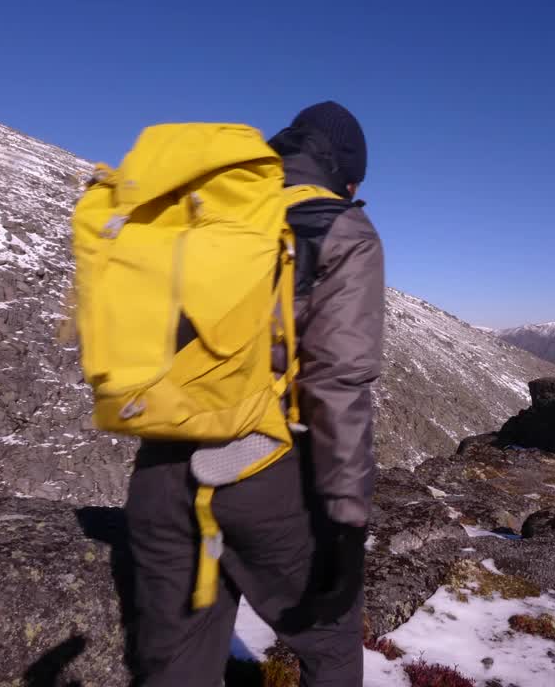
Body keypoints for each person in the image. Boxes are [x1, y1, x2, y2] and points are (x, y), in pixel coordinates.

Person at [124, 101, 385, 686]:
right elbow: (337, 381)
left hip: (162, 469)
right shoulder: (339, 227)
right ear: (345, 174)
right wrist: (346, 518)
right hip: (265, 474)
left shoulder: (197, 214)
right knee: (332, 647)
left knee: (177, 665)